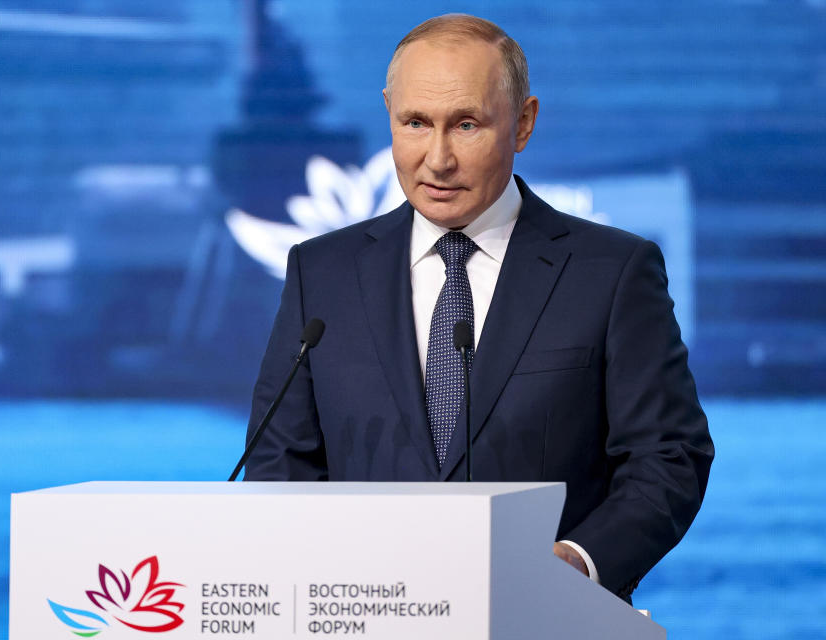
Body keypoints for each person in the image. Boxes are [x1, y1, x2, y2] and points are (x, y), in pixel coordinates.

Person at [243, 13, 713, 602]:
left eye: (465, 125)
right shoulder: (323, 272)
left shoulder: (613, 272)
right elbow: (280, 462)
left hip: (546, 618)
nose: (437, 160)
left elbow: (669, 456)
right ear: (388, 111)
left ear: (523, 123)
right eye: (415, 123)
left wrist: (578, 562)